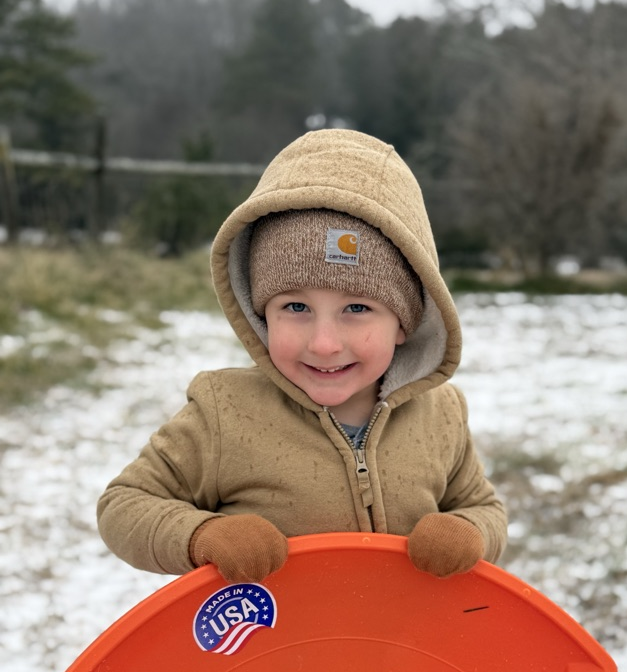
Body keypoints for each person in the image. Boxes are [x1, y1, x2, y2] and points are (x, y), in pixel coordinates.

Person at [97, 128, 507, 583]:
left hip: (404, 649)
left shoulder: (441, 415)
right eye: (296, 308)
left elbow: (482, 506)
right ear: (261, 314)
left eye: (357, 308)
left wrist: (468, 532)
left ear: (405, 322)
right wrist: (204, 536)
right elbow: (125, 505)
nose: (324, 343)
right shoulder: (223, 412)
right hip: (272, 649)